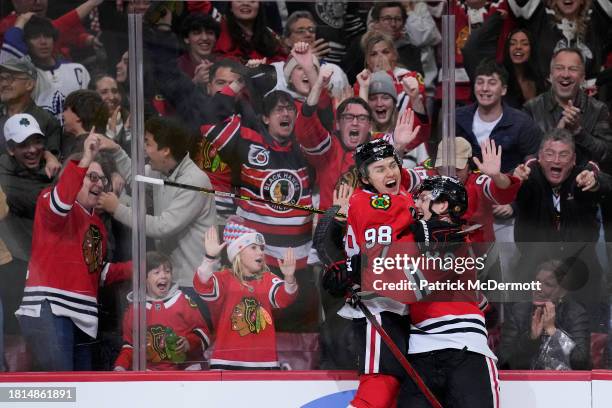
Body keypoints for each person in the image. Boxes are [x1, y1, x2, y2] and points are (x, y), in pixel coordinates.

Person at [14, 130, 131, 371]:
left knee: (79, 393)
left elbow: (97, 272)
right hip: (51, 309)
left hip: (83, 317)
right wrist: (85, 159)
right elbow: (61, 202)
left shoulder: (97, 223)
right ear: (75, 175)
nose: (98, 182)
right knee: (63, 391)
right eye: (91, 177)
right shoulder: (50, 200)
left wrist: (138, 267)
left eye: (101, 179)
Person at [399, 175, 500, 408]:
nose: (416, 205)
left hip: (463, 350)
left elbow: (416, 285)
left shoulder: (451, 238)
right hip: (422, 351)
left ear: (442, 205)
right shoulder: (421, 240)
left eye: (423, 199)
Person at [97, 116, 217, 297]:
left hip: (193, 283)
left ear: (166, 151)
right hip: (171, 279)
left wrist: (117, 209)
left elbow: (162, 226)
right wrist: (116, 150)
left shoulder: (195, 181)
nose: (144, 150)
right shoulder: (160, 170)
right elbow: (134, 176)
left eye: (148, 143)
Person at [194, 218, 298, 369]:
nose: (261, 253)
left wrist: (289, 278)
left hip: (264, 362)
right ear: (238, 253)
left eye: (262, 249)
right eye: (254, 248)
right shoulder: (224, 278)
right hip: (225, 361)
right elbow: (202, 285)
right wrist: (209, 259)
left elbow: (284, 298)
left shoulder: (268, 279)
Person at [114, 251, 211, 371]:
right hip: (151, 373)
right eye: (157, 272)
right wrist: (120, 366)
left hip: (185, 370)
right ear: (144, 278)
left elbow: (204, 332)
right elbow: (130, 346)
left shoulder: (182, 301)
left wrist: (189, 343)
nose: (164, 276)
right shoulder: (134, 310)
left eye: (167, 271)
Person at [523, 47, 612, 170]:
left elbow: (607, 155)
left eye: (573, 69)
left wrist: (578, 132)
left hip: (583, 184)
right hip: (541, 186)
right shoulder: (531, 108)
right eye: (559, 68)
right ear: (550, 75)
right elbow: (526, 156)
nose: (565, 74)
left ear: (582, 77)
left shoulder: (598, 109)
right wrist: (557, 132)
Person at [501, 259, 591, 370]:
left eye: (548, 284)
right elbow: (503, 361)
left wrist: (553, 332)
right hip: (524, 383)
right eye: (537, 281)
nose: (538, 288)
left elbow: (582, 362)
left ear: (562, 292)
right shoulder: (519, 311)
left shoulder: (575, 313)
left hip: (565, 384)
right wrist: (531, 339)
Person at [456, 59, 542, 172]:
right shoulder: (457, 118)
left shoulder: (522, 124)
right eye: (480, 82)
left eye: (492, 83)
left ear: (503, 90)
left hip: (507, 187)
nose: (485, 88)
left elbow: (534, 162)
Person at [0, 15, 91, 121]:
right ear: (26, 42)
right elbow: (7, 57)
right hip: (38, 135)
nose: (43, 42)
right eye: (35, 37)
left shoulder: (77, 70)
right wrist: (22, 20)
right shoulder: (24, 76)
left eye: (47, 36)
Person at [0, 58, 61, 171]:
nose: (3, 84)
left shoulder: (47, 121)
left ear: (29, 84)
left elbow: (51, 164)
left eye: (9, 78)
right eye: (1, 79)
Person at [342, 2, 424, 83]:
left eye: (398, 19)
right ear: (376, 22)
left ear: (404, 23)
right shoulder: (361, 46)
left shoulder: (412, 51)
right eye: (387, 19)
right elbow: (346, 77)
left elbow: (417, 83)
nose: (393, 24)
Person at [214, 0, 286, 64]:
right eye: (239, 0)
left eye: (252, 0)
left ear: (259, 6)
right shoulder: (217, 31)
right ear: (230, 7)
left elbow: (283, 62)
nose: (245, 3)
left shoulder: (270, 35)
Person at [177, 12, 220, 86]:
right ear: (186, 39)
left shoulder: (225, 64)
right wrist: (195, 82)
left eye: (210, 33)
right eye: (197, 33)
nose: (205, 38)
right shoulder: (175, 67)